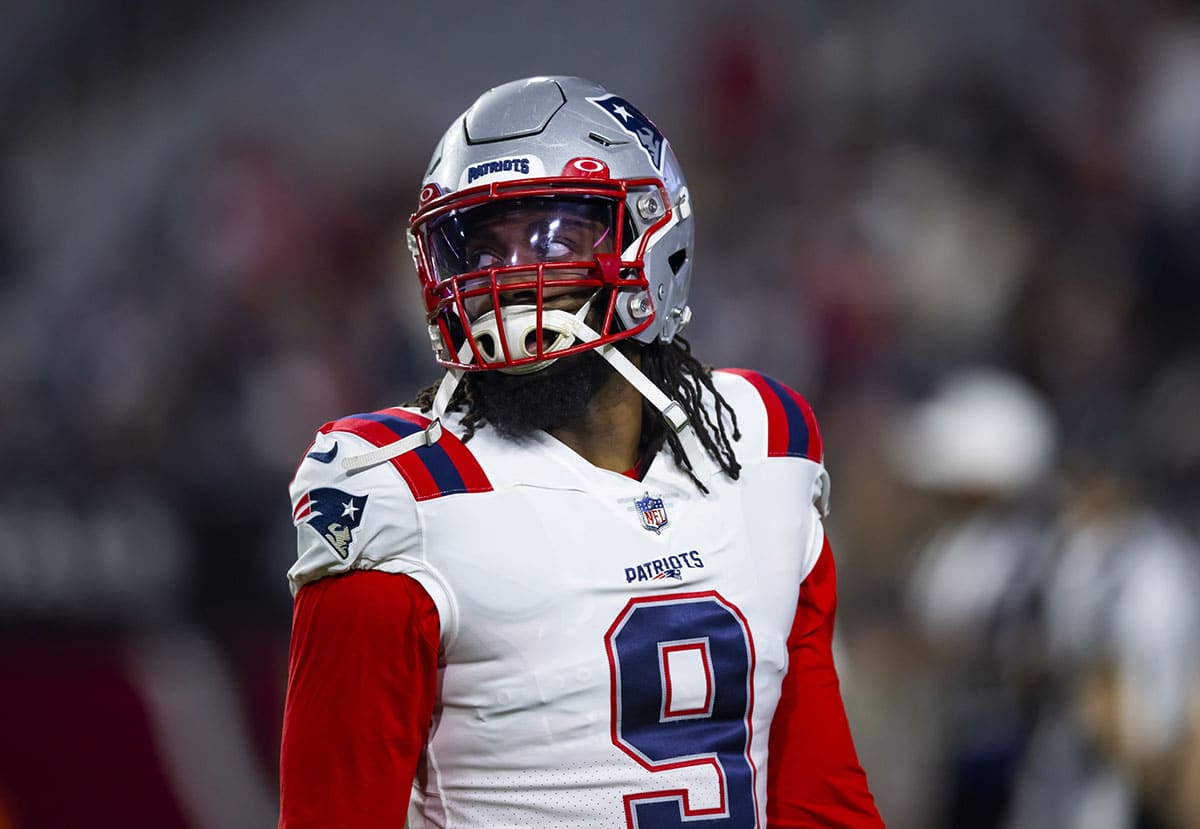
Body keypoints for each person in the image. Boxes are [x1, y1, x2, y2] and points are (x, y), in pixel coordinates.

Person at [278, 75, 883, 828]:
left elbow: (818, 797)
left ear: (655, 236)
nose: (507, 278)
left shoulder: (762, 444)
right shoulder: (403, 492)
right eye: (481, 248)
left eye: (554, 238)